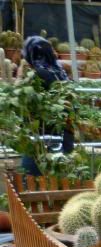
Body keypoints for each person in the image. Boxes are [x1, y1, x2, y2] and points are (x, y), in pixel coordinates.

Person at [19, 35, 74, 174]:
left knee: (33, 183)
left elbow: (21, 101)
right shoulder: (60, 73)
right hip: (63, 136)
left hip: (43, 139)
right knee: (59, 180)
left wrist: (21, 76)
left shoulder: (38, 75)